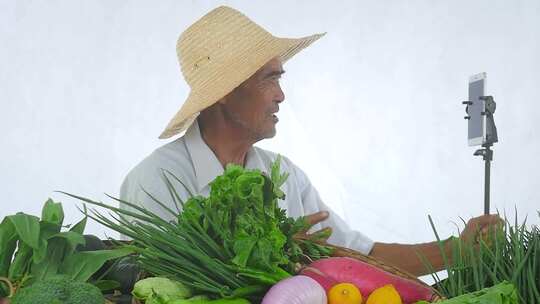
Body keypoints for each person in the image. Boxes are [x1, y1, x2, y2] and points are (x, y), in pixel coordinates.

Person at [120, 6, 501, 276]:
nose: (281, 96)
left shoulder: (283, 174)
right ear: (224, 91)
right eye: (269, 79)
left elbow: (358, 256)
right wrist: (283, 255)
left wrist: (457, 250)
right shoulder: (156, 181)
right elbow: (169, 285)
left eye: (279, 78)